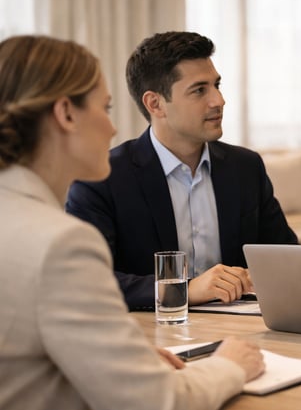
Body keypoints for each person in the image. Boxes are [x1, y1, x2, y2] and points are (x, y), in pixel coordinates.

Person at [0, 35, 266, 410]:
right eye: (105, 108)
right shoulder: (59, 244)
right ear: (66, 114)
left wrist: (123, 361)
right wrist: (229, 366)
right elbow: (158, 402)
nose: (112, 129)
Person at [66, 31, 298, 310]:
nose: (219, 100)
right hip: (152, 336)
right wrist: (184, 289)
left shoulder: (245, 167)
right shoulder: (101, 178)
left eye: (217, 85)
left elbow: (288, 260)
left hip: (244, 331)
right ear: (155, 104)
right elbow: (88, 282)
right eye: (200, 90)